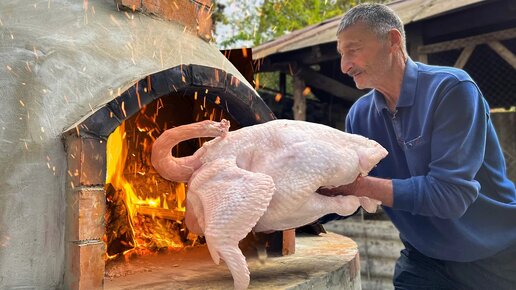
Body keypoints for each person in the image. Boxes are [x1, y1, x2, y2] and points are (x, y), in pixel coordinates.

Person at [318, 3, 516, 289]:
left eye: (353, 50)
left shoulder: (451, 89)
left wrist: (357, 185)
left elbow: (450, 195)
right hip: (423, 259)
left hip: (495, 257)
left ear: (393, 40)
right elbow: (349, 196)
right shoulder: (359, 116)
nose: (344, 66)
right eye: (341, 54)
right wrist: (291, 207)